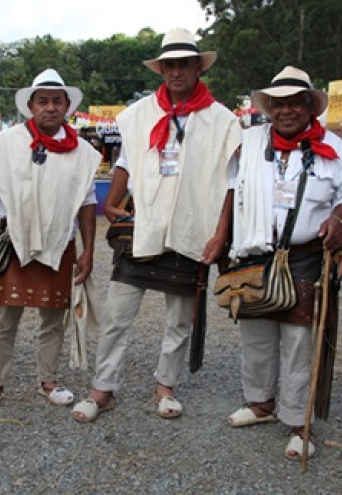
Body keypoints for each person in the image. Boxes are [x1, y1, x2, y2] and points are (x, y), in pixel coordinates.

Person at [72, 28, 242, 422]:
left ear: (198, 67)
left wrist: (220, 234)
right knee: (117, 313)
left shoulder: (223, 121)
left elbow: (232, 182)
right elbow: (127, 162)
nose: (177, 71)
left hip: (190, 228)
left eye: (185, 63)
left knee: (180, 318)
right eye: (170, 64)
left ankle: (166, 384)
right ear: (161, 69)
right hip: (142, 224)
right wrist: (112, 202)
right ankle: (103, 387)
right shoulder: (137, 115)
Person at [226, 67, 342, 460]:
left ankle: (299, 422)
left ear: (308, 106)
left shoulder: (335, 148)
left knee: (300, 341)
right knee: (256, 334)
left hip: (305, 257)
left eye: (294, 103)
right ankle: (260, 403)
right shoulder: (247, 143)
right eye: (278, 104)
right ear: (268, 109)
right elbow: (229, 187)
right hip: (255, 253)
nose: (286, 111)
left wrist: (338, 219)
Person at [0, 69, 101, 410]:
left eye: (57, 101)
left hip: (60, 242)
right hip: (15, 242)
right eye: (43, 101)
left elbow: (86, 203)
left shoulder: (82, 152)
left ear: (67, 105)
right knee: (5, 317)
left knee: (53, 317)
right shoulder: (3, 147)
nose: (50, 108)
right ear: (30, 106)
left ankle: (48, 381)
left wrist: (88, 250)